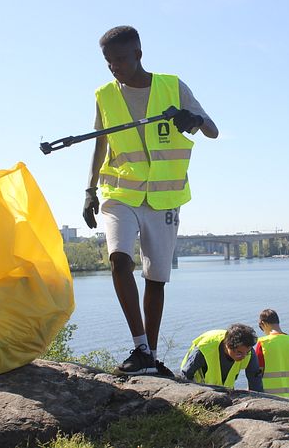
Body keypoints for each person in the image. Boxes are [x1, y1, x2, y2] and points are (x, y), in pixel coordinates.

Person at [83, 26, 218, 376]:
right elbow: (101, 144)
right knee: (117, 258)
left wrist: (195, 119)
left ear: (139, 55)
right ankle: (140, 347)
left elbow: (213, 130)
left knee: (155, 277)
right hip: (119, 193)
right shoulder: (104, 95)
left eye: (121, 60)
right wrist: (89, 190)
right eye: (108, 62)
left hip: (164, 198)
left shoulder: (172, 86)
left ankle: (151, 357)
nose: (115, 67)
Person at [180, 323, 264, 391]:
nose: (244, 356)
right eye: (239, 353)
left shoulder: (248, 352)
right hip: (199, 389)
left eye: (247, 352)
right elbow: (185, 375)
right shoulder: (205, 348)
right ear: (227, 346)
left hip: (226, 391)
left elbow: (255, 381)